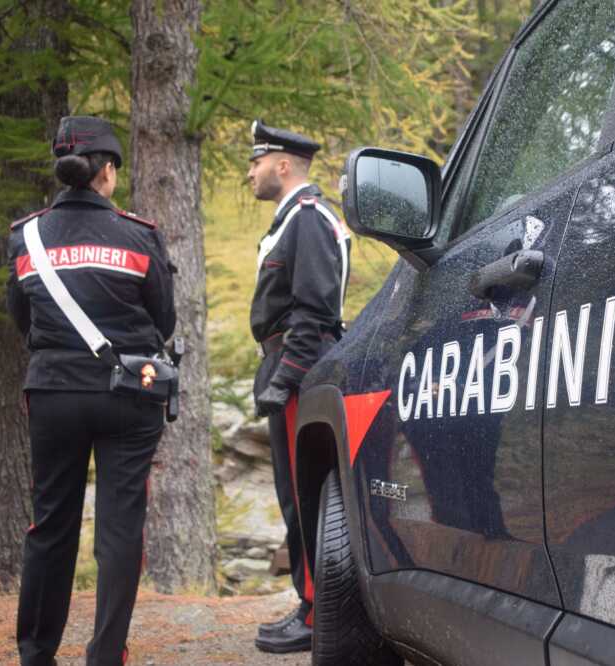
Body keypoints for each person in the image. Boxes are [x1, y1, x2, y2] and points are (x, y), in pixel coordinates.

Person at [7, 115, 176, 666]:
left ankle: (36, 654)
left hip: (53, 394)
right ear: (106, 171)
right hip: (128, 394)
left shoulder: (25, 235)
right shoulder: (140, 234)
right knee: (121, 527)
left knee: (50, 523)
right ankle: (106, 655)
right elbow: (165, 320)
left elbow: (20, 318)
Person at [247, 120, 350, 654]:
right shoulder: (292, 220)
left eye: (256, 162)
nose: (250, 172)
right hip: (289, 362)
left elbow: (314, 308)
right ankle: (311, 605)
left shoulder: (307, 219)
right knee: (295, 496)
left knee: (304, 496)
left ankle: (316, 611)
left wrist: (286, 375)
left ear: (283, 165)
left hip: (299, 365)